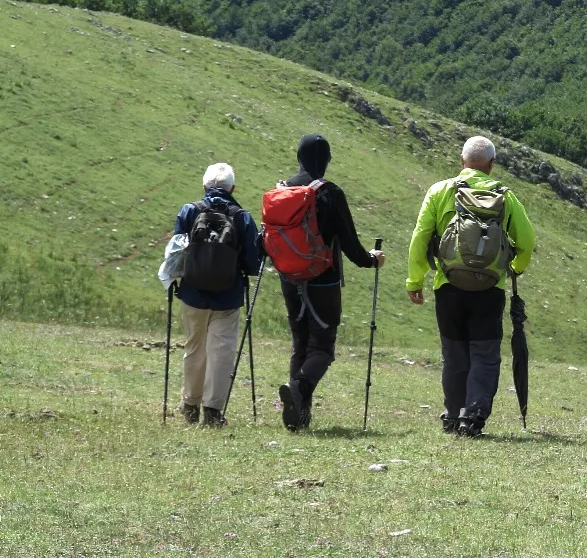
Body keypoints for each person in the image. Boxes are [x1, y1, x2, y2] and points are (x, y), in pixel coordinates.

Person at [406, 136, 535, 436]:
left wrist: (415, 279)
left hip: (448, 284)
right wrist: (514, 268)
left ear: (462, 161)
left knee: (454, 353)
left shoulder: (440, 190)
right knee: (485, 354)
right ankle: (473, 416)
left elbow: (420, 236)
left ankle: (452, 415)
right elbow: (526, 242)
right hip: (490, 287)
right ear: (491, 164)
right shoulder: (506, 196)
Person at [272, 134, 385, 431]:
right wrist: (372, 259)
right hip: (324, 281)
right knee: (322, 348)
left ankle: (299, 417)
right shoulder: (329, 192)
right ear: (326, 160)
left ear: (299, 157)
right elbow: (350, 243)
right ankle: (298, 389)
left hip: (289, 278)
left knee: (300, 344)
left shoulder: (281, 190)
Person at [172, 163, 262, 427]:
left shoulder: (189, 211)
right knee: (221, 352)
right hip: (228, 297)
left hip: (193, 294)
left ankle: (190, 405)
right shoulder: (242, 217)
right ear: (233, 188)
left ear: (204, 186)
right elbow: (253, 264)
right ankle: (212, 411)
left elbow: (176, 255)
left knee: (194, 348)